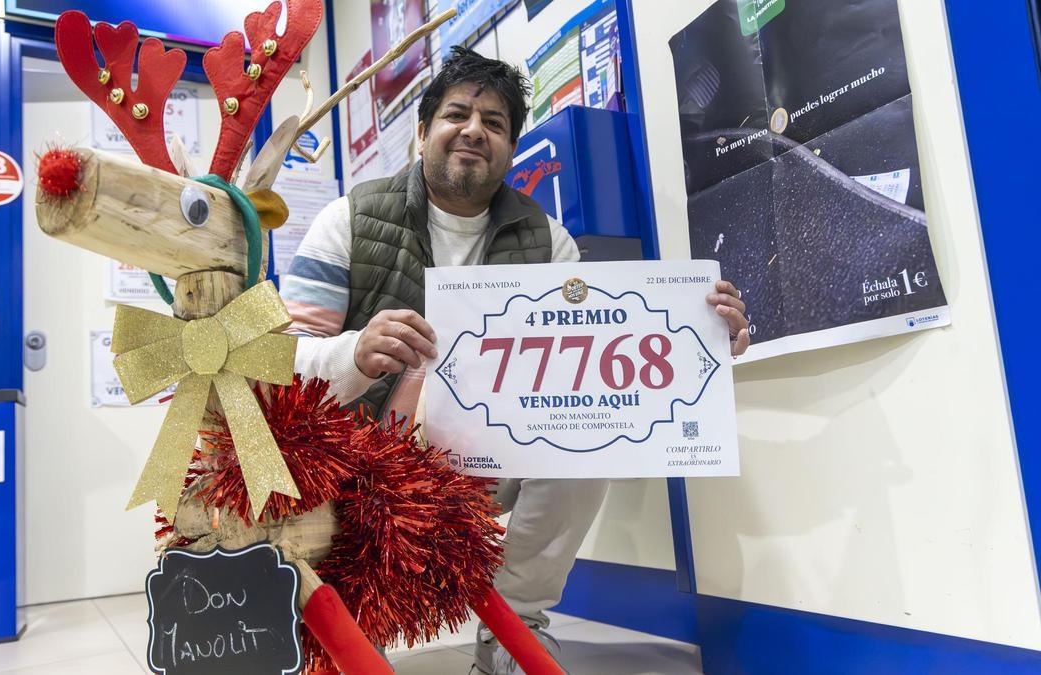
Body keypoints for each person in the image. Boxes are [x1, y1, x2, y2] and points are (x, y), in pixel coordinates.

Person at [282, 47, 750, 674]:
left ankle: (512, 628)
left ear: (509, 149)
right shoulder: (349, 220)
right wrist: (355, 353)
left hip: (482, 459)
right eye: (456, 114)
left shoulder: (549, 242)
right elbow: (277, 365)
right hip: (360, 461)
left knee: (588, 442)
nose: (474, 130)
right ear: (422, 133)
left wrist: (705, 338)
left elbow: (593, 362)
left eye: (495, 123)